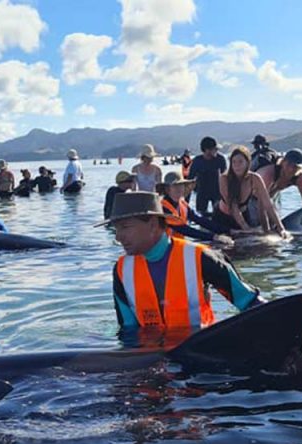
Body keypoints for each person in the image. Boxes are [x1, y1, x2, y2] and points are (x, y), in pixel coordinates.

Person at [98, 192, 262, 341]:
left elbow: (250, 302)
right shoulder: (121, 270)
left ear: (153, 225)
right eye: (116, 229)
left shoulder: (201, 257)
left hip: (202, 353)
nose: (118, 237)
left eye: (125, 227)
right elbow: (128, 329)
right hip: (152, 359)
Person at [214, 146, 285, 235]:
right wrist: (246, 228)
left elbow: (268, 204)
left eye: (240, 162)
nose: (237, 165)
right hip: (223, 218)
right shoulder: (224, 179)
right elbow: (233, 207)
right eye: (234, 162)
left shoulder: (255, 178)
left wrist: (281, 228)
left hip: (244, 215)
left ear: (247, 163)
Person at [160, 172, 233, 246]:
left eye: (181, 185)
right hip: (164, 247)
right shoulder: (163, 207)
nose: (179, 188)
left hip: (177, 244)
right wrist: (214, 237)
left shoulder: (183, 204)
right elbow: (185, 230)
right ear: (167, 189)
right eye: (175, 185)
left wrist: (228, 230)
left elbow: (200, 219)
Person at [188, 136, 227, 216]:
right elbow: (190, 180)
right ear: (207, 150)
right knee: (201, 215)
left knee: (219, 216)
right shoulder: (197, 161)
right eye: (215, 149)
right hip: (202, 192)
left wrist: (226, 196)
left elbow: (226, 177)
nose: (217, 151)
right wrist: (185, 202)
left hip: (217, 192)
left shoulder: (220, 159)